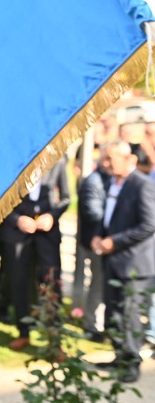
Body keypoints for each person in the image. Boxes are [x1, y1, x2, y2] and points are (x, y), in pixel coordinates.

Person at [91, 140, 155, 383]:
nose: (105, 164)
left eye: (110, 159)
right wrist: (99, 233)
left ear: (130, 159)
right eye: (104, 159)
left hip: (135, 265)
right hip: (114, 260)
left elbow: (149, 224)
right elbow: (107, 216)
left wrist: (114, 242)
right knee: (114, 311)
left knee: (130, 314)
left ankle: (131, 363)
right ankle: (119, 355)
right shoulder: (111, 182)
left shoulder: (142, 185)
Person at [1, 157, 71, 351]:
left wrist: (52, 216)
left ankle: (54, 338)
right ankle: (24, 332)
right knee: (18, 281)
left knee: (51, 281)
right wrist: (17, 219)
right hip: (18, 233)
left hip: (47, 233)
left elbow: (66, 198)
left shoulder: (56, 163)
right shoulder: (14, 162)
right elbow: (0, 200)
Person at [76, 146, 111, 342]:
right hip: (95, 242)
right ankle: (92, 325)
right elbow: (92, 213)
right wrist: (117, 220)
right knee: (97, 284)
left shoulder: (109, 179)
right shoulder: (93, 182)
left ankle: (100, 323)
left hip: (106, 241)